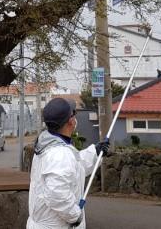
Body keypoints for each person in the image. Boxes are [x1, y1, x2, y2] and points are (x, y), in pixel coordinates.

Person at [27, 98, 110, 229]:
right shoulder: (59, 154)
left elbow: (74, 169)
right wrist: (75, 215)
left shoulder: (50, 144)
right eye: (73, 114)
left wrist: (94, 152)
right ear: (70, 121)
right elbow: (57, 193)